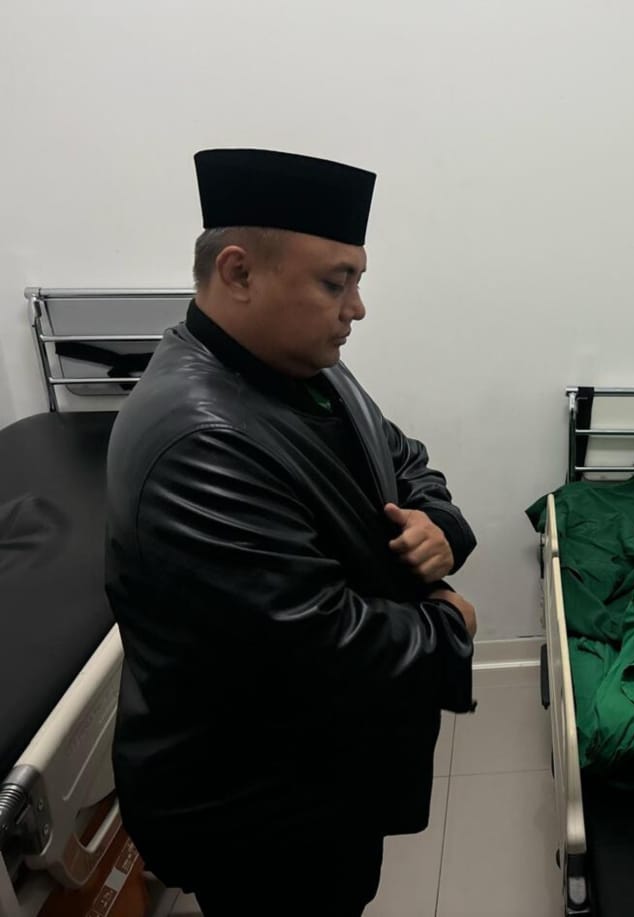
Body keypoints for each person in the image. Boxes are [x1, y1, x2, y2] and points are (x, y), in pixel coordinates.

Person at [105, 148, 479, 916]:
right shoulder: (198, 439)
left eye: (358, 282)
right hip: (259, 809)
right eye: (335, 282)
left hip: (323, 772)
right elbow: (312, 641)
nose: (356, 308)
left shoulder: (308, 367)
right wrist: (450, 621)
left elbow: (402, 459)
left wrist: (438, 524)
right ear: (238, 272)